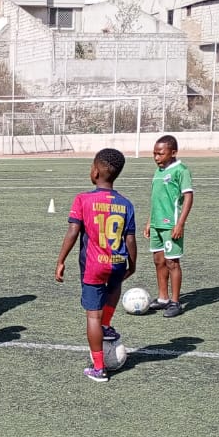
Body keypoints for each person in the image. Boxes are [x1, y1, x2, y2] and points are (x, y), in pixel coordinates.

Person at [55, 148, 137, 382]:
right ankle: (107, 325)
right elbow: (130, 239)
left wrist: (61, 260)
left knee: (93, 317)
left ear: (96, 172)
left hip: (94, 265)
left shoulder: (83, 199)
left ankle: (99, 368)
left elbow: (73, 231)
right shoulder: (126, 203)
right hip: (118, 262)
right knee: (114, 289)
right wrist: (132, 265)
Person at [144, 134, 193, 317]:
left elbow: (188, 197)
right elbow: (156, 199)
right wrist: (149, 221)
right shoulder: (158, 171)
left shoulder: (181, 170)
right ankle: (163, 298)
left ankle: (175, 302)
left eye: (160, 154)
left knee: (172, 262)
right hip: (156, 224)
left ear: (173, 152)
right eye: (154, 154)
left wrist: (180, 223)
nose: (156, 157)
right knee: (158, 261)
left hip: (170, 225)